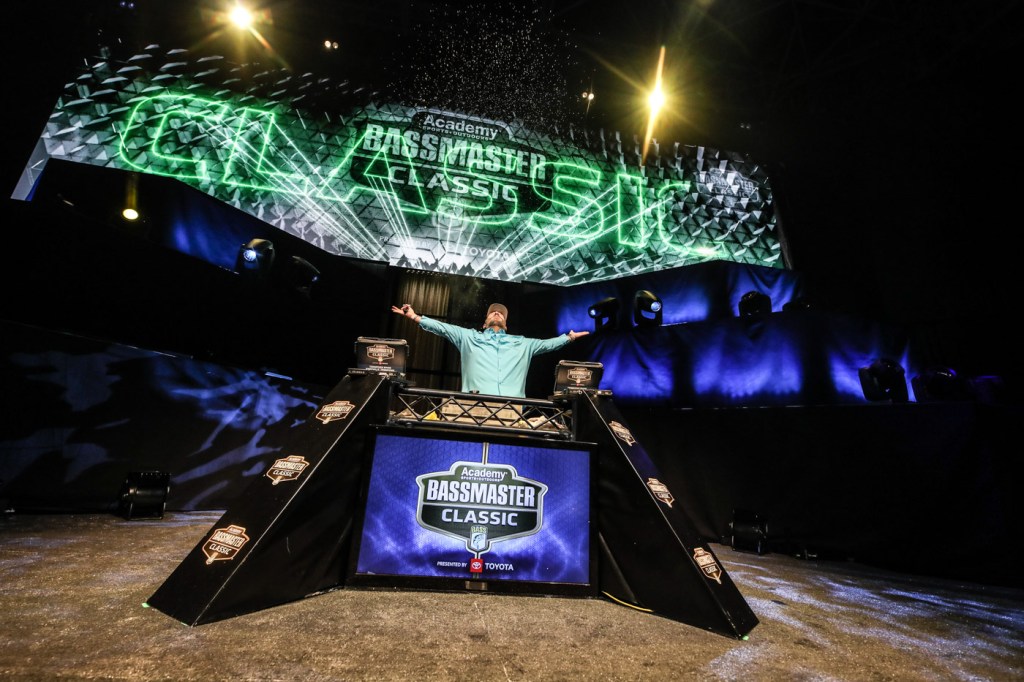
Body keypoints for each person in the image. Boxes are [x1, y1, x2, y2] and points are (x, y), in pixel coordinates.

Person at [390, 302, 589, 398]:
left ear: (506, 325)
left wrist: (569, 337)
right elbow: (442, 328)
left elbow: (547, 344)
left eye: (501, 314)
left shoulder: (522, 343)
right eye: (492, 312)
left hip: (513, 409)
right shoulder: (468, 337)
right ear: (484, 323)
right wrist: (414, 317)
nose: (497, 313)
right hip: (473, 406)